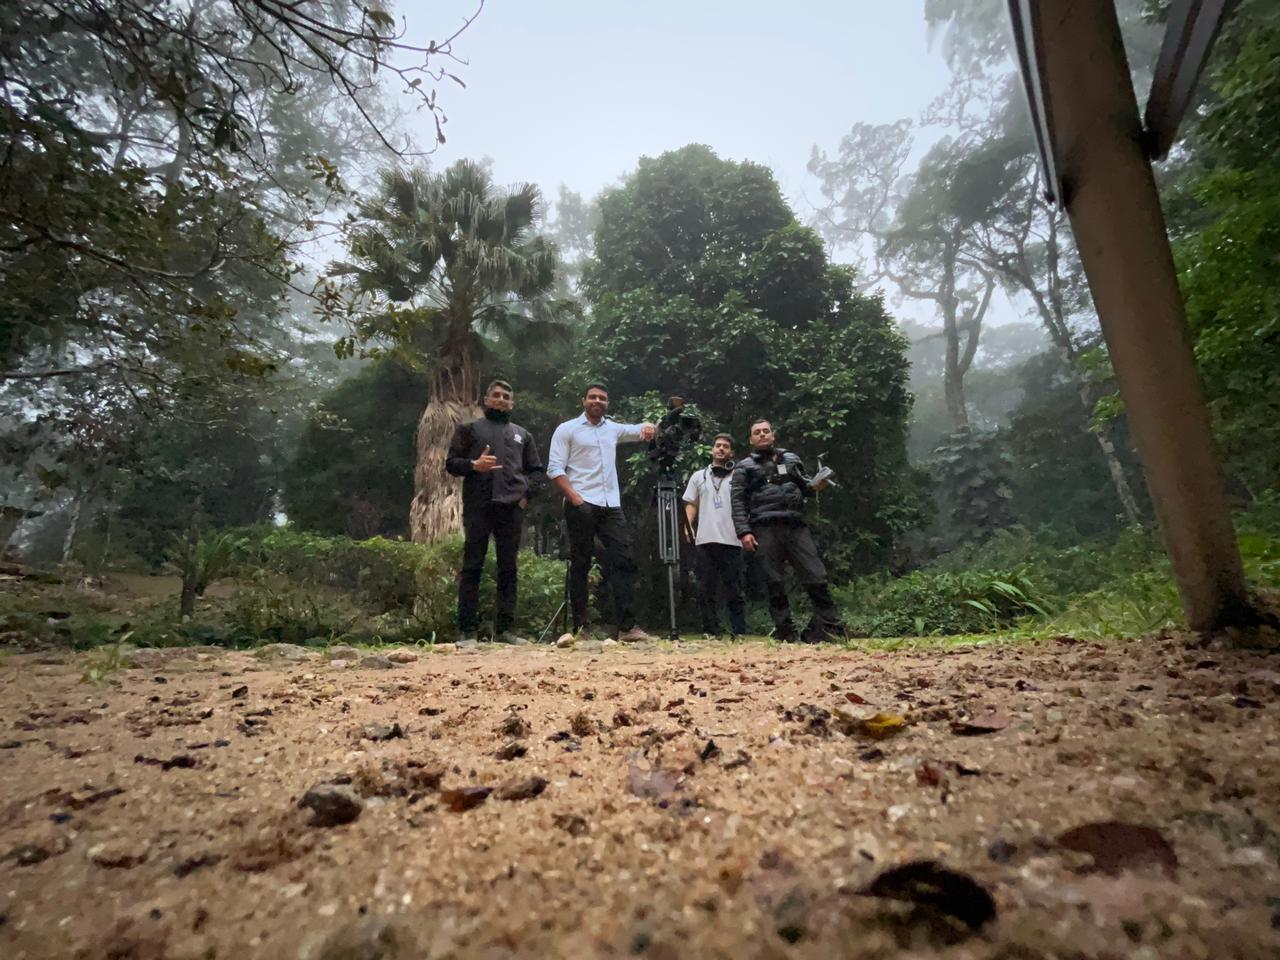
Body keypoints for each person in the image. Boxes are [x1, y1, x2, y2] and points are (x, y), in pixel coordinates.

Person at [546, 382, 658, 643]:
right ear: (583, 400)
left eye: (603, 398)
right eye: (593, 397)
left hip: (611, 506)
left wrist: (653, 426)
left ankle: (628, 628)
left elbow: (638, 430)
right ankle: (581, 628)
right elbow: (554, 468)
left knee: (625, 559)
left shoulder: (612, 429)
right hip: (581, 503)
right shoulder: (567, 429)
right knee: (581, 564)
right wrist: (575, 498)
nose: (597, 401)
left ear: (608, 403)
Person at [445, 379, 544, 648]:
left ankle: (505, 630)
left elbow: (536, 471)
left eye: (506, 396)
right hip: (479, 506)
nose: (500, 400)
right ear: (486, 400)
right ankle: (467, 632)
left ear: (512, 403)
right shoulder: (469, 430)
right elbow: (451, 464)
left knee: (508, 568)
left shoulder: (523, 435)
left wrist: (525, 497)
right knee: (472, 566)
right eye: (496, 395)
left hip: (511, 508)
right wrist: (474, 465)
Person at [730, 418, 845, 643]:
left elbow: (807, 488)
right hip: (763, 527)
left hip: (795, 525)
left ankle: (830, 627)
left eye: (766, 431)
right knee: (773, 581)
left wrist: (817, 485)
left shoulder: (791, 459)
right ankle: (785, 630)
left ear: (773, 435)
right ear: (751, 439)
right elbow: (737, 502)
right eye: (757, 432)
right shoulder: (744, 467)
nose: (762, 434)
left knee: (816, 575)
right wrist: (744, 532)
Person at [683, 433, 747, 638]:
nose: (721, 449)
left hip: (733, 540)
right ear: (712, 450)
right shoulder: (698, 476)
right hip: (705, 540)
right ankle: (710, 630)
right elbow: (691, 503)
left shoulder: (739, 476)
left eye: (725, 446)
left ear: (731, 452)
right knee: (705, 588)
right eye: (718, 445)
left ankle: (739, 630)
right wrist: (687, 526)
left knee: (734, 588)